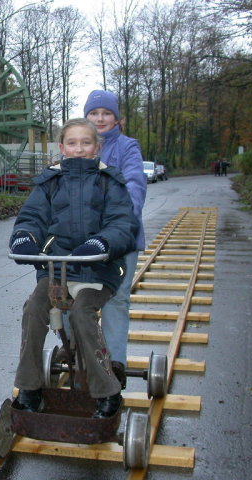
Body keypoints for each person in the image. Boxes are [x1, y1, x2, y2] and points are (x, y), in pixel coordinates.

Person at [9, 118, 139, 418]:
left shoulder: (110, 182)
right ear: (62, 147)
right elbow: (31, 218)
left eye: (86, 143)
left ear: (97, 147)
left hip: (97, 271)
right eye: (72, 143)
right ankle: (29, 387)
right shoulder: (49, 183)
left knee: (82, 314)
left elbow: (122, 223)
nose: (79, 149)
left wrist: (102, 243)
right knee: (33, 308)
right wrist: (24, 238)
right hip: (58, 271)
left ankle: (107, 391)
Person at [83, 90, 147, 389]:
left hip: (121, 239)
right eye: (93, 113)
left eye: (105, 113)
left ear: (116, 117)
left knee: (116, 300)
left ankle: (115, 364)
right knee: (71, 299)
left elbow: (134, 183)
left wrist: (123, 220)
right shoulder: (79, 146)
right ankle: (81, 361)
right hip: (82, 240)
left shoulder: (127, 147)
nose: (99, 119)